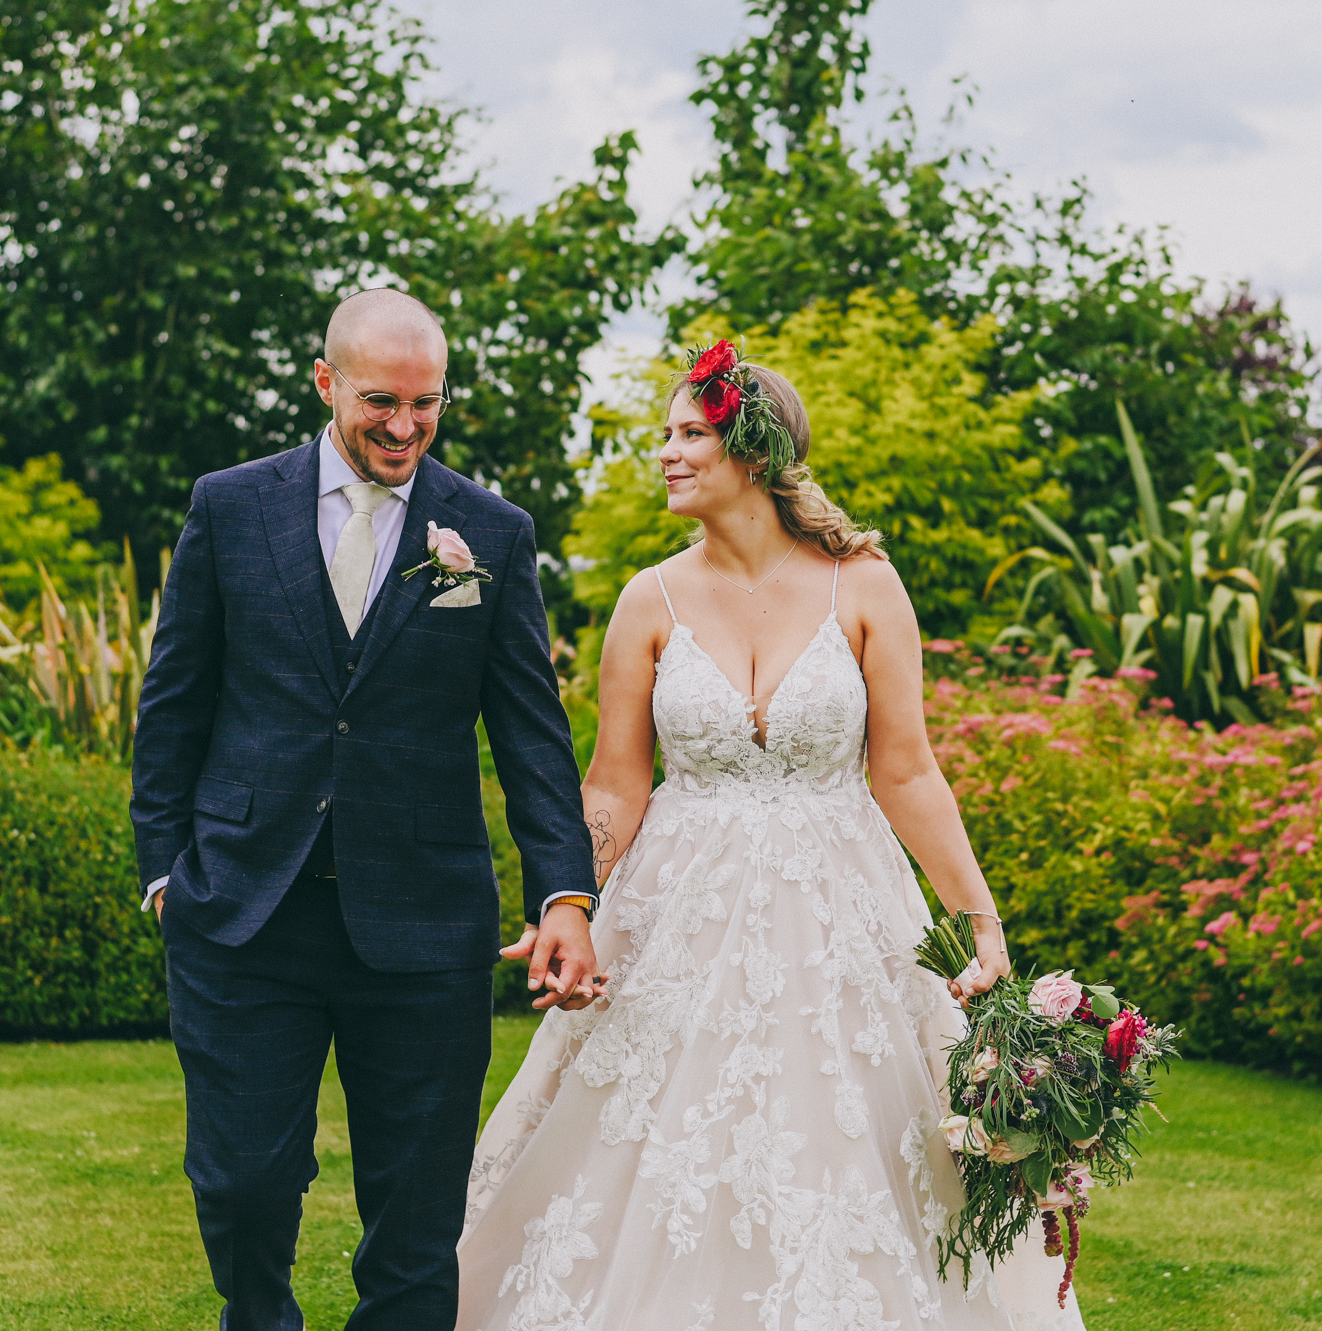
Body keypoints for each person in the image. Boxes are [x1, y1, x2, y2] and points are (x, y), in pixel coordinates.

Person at [457, 343, 1086, 1330]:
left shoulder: (864, 584)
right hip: (675, 911)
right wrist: (572, 910)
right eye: (665, 434)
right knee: (656, 1141)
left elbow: (907, 770)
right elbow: (614, 782)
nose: (665, 452)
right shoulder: (645, 599)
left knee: (849, 1136)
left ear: (749, 451)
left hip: (845, 912)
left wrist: (977, 922)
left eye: (688, 433)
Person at [132, 289, 602, 1331]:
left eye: (425, 404)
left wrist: (563, 893)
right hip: (242, 910)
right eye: (379, 401)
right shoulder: (228, 505)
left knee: (415, 1215)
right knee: (242, 1179)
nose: (402, 426)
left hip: (425, 921)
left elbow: (530, 734)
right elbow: (173, 704)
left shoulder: (489, 533)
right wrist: (165, 871)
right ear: (325, 383)